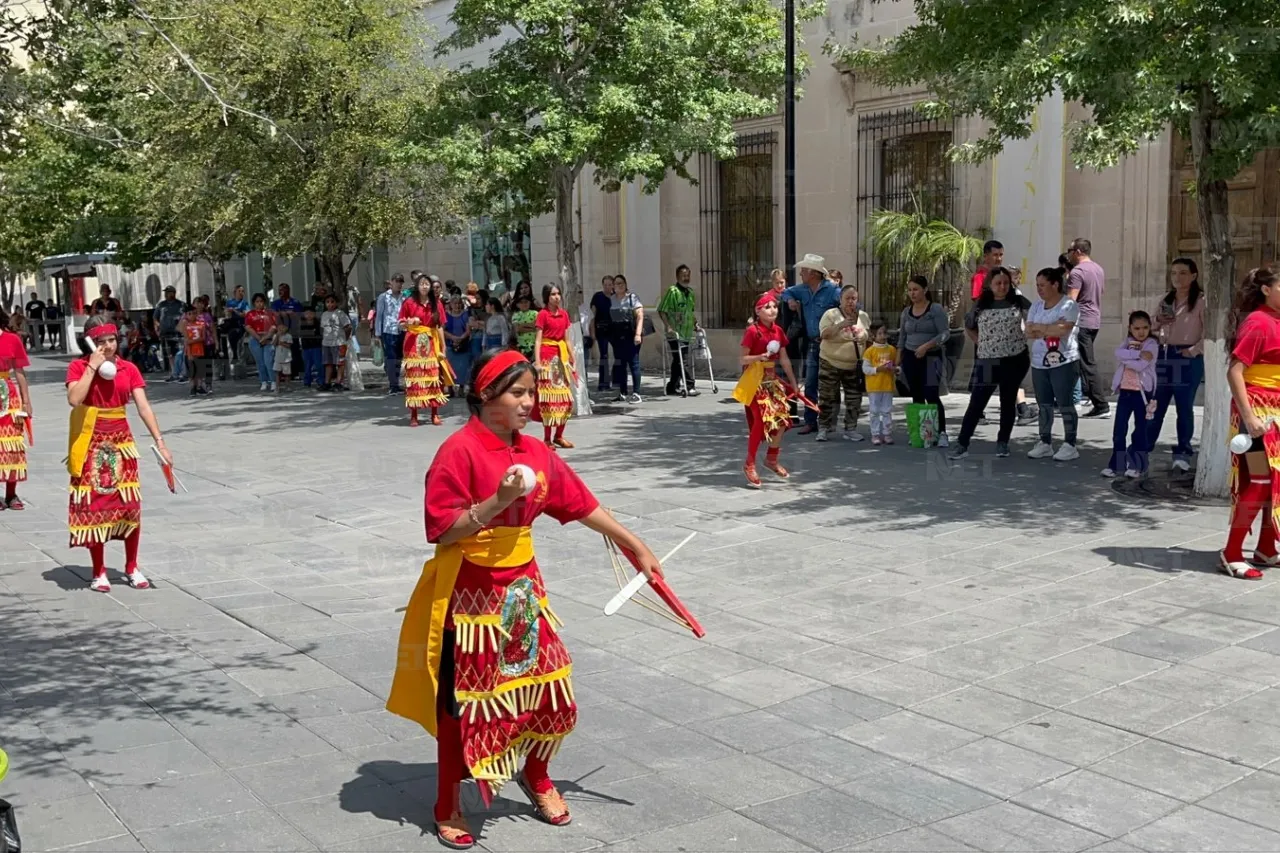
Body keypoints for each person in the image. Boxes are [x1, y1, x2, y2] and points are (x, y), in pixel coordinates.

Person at [385, 349, 663, 849]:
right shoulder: (458, 451)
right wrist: (499, 501)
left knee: (549, 691)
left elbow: (579, 502)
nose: (530, 403)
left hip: (522, 593)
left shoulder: (535, 451)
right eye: (519, 393)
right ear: (486, 395)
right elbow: (442, 529)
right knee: (464, 704)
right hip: (469, 596)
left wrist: (634, 544)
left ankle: (535, 774)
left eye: (532, 393)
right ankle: (448, 800)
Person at [66, 316, 172, 592]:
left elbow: (144, 407)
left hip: (121, 442)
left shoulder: (128, 369)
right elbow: (74, 399)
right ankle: (99, 571)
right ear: (90, 343)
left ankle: (131, 566)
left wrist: (160, 442)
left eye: (111, 340)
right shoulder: (79, 367)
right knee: (95, 506)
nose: (108, 346)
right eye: (101, 342)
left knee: (129, 506)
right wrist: (92, 367)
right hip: (91, 442)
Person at [950, 267, 1032, 460]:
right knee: (977, 403)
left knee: (1007, 402)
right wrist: (981, 342)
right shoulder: (981, 303)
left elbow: (1034, 319)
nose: (1002, 286)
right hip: (987, 361)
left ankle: (1003, 442)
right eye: (998, 283)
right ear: (990, 284)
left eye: (1005, 283)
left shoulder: (1018, 301)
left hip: (1014, 359)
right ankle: (962, 443)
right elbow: (969, 326)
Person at [735, 291, 800, 487]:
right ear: (758, 311)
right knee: (761, 422)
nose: (772, 310)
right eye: (767, 307)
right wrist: (759, 357)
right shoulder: (753, 331)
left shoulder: (778, 331)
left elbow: (785, 360)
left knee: (782, 421)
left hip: (771, 382)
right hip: (754, 382)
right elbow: (742, 359)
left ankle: (772, 458)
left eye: (774, 306)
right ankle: (750, 463)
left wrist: (794, 384)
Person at [1148, 258, 1206, 472]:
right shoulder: (1166, 299)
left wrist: (1193, 351)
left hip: (1187, 356)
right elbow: (1150, 326)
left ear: (1193, 276)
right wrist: (1158, 322)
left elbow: (1209, 334)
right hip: (1164, 354)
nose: (1177, 278)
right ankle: (1143, 448)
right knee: (1156, 405)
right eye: (1174, 273)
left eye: (1182, 273)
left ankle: (1182, 452)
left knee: (1184, 407)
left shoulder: (1201, 301)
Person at [1025, 267, 1082, 461]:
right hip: (1039, 362)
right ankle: (1045, 442)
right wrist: (1048, 328)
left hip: (1064, 361)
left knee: (1065, 403)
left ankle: (1070, 443)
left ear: (1055, 284)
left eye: (1043, 285)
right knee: (1044, 404)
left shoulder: (1069, 305)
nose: (1039, 289)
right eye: (1037, 285)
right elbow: (1029, 331)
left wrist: (1042, 329)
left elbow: (1063, 330)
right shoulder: (1036, 306)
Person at [781, 254, 842, 434]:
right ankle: (810, 420)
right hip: (813, 343)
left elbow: (850, 303)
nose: (800, 274)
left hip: (830, 343)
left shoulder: (833, 290)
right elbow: (786, 291)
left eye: (804, 271)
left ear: (813, 273)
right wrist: (790, 300)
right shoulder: (803, 289)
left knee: (829, 384)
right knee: (810, 382)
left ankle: (827, 421)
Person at [896, 275, 951, 447]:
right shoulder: (906, 312)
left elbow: (944, 333)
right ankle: (924, 433)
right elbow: (902, 338)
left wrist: (926, 346)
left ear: (925, 290)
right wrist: (898, 361)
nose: (912, 293)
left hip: (931, 356)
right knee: (917, 395)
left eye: (916, 289)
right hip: (911, 357)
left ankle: (942, 432)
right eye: (910, 290)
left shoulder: (935, 310)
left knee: (931, 394)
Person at [1105, 311, 1159, 479]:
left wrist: (1127, 358)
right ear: (1130, 328)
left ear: (1150, 328)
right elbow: (1118, 353)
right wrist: (1135, 354)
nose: (1141, 331)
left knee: (1140, 431)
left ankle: (1138, 465)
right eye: (1136, 328)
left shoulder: (1152, 344)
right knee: (1119, 430)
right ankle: (1117, 465)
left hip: (1142, 394)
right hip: (1125, 393)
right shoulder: (1127, 342)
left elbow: (1141, 365)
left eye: (1145, 327)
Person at [816, 284, 870, 442]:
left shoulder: (863, 316)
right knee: (827, 397)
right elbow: (824, 334)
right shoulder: (831, 314)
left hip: (853, 365)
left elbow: (868, 337)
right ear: (840, 299)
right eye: (847, 298)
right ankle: (824, 428)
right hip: (830, 362)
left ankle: (851, 428)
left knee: (854, 398)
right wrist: (841, 325)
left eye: (854, 299)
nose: (851, 302)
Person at [399, 275, 453, 427]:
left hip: (431, 343)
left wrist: (443, 346)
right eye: (422, 284)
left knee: (433, 378)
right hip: (413, 343)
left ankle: (434, 414)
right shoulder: (409, 302)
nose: (424, 286)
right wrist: (409, 323)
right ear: (417, 286)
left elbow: (439, 326)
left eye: (427, 284)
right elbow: (401, 323)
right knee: (415, 379)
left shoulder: (437, 304)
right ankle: (414, 415)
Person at [1066, 238, 1109, 417]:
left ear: (1077, 252)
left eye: (1069, 250)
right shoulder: (1098, 269)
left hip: (1081, 321)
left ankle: (1101, 404)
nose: (1068, 254)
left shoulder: (1077, 272)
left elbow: (1070, 301)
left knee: (1086, 363)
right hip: (1094, 320)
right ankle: (1082, 397)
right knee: (1082, 362)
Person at [534, 284, 576, 447]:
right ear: (547, 297)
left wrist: (573, 359)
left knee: (565, 399)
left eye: (558, 293)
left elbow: (567, 339)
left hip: (561, 357)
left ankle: (559, 435)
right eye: (553, 294)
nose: (556, 297)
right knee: (548, 399)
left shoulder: (564, 315)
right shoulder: (542, 315)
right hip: (547, 357)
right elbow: (538, 340)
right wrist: (537, 362)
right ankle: (546, 438)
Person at [0, 307, 31, 510]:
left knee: (11, 445)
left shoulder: (12, 339)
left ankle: (11, 495)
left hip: (7, 395)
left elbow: (19, 371)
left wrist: (26, 401)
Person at [658, 265, 700, 396]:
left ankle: (672, 386)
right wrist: (668, 326)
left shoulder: (691, 293)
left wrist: (695, 324)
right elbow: (662, 310)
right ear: (677, 276)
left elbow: (690, 312)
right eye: (683, 275)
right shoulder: (673, 291)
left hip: (686, 333)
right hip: (675, 333)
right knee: (683, 359)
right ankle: (690, 385)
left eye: (687, 275)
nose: (686, 278)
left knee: (678, 360)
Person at [608, 275, 644, 404]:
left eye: (622, 283)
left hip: (631, 335)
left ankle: (636, 393)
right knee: (621, 365)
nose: (620, 285)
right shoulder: (611, 300)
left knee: (634, 363)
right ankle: (622, 392)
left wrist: (638, 334)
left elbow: (640, 315)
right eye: (617, 283)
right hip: (618, 337)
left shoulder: (632, 298)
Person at [862, 323, 897, 445]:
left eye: (884, 333)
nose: (883, 336)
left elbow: (896, 366)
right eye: (879, 334)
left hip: (887, 385)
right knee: (874, 411)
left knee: (887, 410)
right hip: (874, 386)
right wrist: (878, 369)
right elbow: (865, 369)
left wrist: (896, 370)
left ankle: (887, 433)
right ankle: (875, 434)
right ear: (873, 336)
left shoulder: (892, 350)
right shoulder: (869, 351)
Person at [375, 275, 407, 395]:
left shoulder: (404, 297)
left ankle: (397, 382)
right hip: (388, 330)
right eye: (396, 281)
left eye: (401, 282)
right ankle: (393, 384)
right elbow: (379, 315)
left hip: (401, 329)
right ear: (391, 282)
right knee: (391, 357)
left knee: (399, 357)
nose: (399, 284)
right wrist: (378, 333)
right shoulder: (384, 297)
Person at [245, 294, 278, 392]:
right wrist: (258, 338)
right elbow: (248, 327)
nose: (259, 303)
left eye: (261, 301)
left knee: (269, 361)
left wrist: (266, 337)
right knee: (260, 362)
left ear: (264, 302)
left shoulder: (270, 313)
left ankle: (273, 381)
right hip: (256, 339)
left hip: (268, 338)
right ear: (254, 303)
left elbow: (274, 326)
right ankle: (263, 381)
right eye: (257, 301)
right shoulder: (250, 314)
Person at [154, 286, 186, 382]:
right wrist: (157, 329)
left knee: (180, 353)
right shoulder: (161, 305)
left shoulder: (181, 304)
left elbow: (186, 316)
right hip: (165, 333)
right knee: (170, 354)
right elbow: (155, 318)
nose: (166, 294)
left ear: (174, 293)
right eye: (166, 292)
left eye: (169, 292)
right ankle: (174, 373)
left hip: (178, 333)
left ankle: (183, 373)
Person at [321, 294, 352, 392]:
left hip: (339, 342)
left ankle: (339, 382)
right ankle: (327, 382)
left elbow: (348, 327)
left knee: (340, 363)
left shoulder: (340, 313)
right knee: (328, 363)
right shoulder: (324, 314)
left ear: (336, 303)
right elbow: (323, 328)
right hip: (327, 343)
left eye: (332, 302)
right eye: (327, 302)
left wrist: (345, 339)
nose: (330, 304)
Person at [178, 305, 211, 397]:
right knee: (192, 370)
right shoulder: (185, 324)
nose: (192, 315)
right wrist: (189, 352)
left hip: (199, 349)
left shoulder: (201, 324)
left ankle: (200, 386)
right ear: (186, 315)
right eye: (189, 313)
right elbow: (186, 340)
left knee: (199, 368)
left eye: (194, 313)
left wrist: (193, 341)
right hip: (190, 351)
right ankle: (193, 387)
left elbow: (203, 337)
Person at [444, 294, 473, 397]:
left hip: (463, 344)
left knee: (463, 368)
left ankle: (461, 388)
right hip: (450, 344)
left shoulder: (465, 315)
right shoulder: (446, 315)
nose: (457, 305)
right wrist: (452, 338)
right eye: (455, 303)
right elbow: (443, 330)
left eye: (459, 303)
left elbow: (468, 330)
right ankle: (450, 389)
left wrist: (461, 338)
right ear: (451, 304)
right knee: (449, 367)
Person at [590, 276, 614, 391]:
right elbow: (592, 316)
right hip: (601, 329)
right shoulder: (597, 297)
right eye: (605, 285)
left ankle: (616, 381)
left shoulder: (616, 297)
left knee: (619, 355)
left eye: (610, 284)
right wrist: (593, 332)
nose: (607, 287)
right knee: (604, 356)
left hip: (614, 330)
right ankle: (603, 384)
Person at [298, 306, 324, 389]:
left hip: (316, 346)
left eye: (310, 313)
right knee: (307, 365)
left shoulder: (318, 323)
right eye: (306, 313)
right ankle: (307, 381)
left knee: (319, 364)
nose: (308, 315)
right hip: (306, 347)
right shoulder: (301, 324)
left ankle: (321, 380)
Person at [510, 293, 538, 361]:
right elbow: (517, 329)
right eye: (521, 302)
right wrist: (531, 326)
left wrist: (521, 325)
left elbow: (537, 327)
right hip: (521, 346)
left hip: (534, 345)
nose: (524, 304)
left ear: (530, 302)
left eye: (526, 302)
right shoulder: (516, 315)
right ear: (517, 305)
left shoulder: (535, 313)